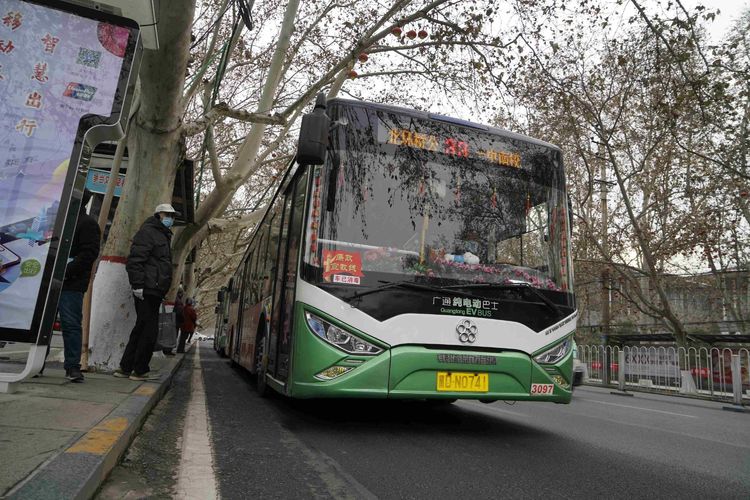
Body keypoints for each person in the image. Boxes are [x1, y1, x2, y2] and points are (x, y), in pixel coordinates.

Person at [39, 191, 100, 382]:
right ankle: (37, 362)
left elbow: (89, 254)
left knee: (71, 323)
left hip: (71, 283)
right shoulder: (58, 220)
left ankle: (73, 366)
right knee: (42, 324)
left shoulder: (87, 223)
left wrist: (65, 271)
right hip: (49, 280)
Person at [114, 203, 177, 381]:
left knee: (141, 327)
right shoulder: (149, 232)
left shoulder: (163, 235)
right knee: (149, 331)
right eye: (168, 215)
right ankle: (140, 369)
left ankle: (126, 367)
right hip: (147, 289)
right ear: (158, 215)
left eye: (172, 216)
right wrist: (137, 285)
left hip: (154, 289)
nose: (171, 219)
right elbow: (135, 260)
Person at [164, 289, 184, 356]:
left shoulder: (175, 299)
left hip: (171, 320)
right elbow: (179, 312)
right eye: (182, 293)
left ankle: (167, 349)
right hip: (175, 321)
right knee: (173, 336)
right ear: (180, 293)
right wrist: (182, 319)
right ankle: (168, 350)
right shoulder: (179, 301)